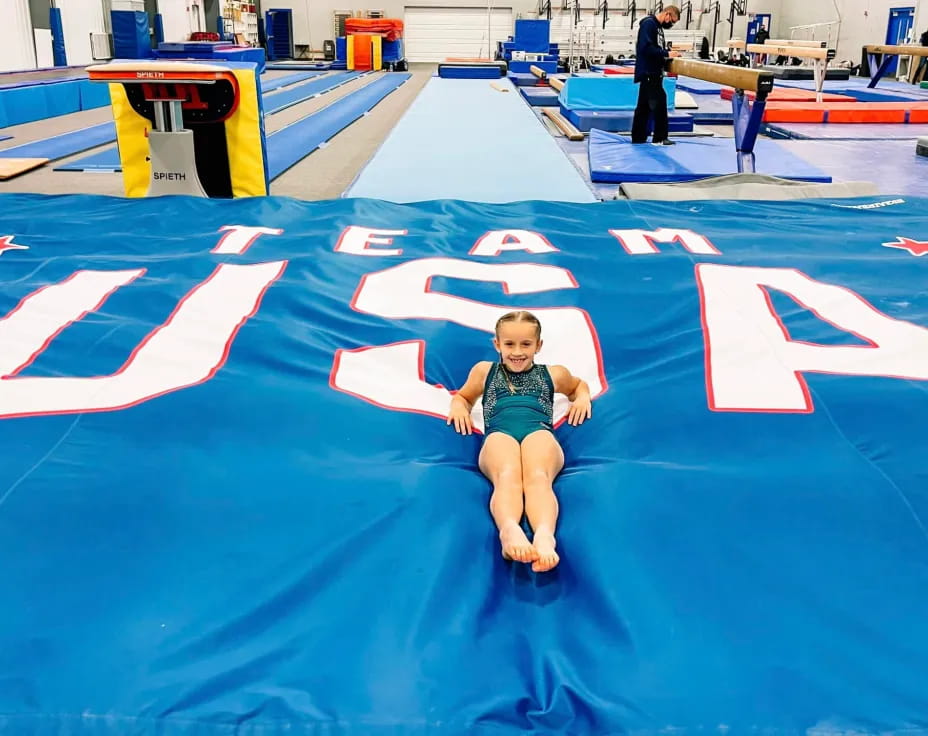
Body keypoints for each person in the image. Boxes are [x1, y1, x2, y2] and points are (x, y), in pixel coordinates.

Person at [447, 311, 592, 573]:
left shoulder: (553, 374)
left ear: (538, 345)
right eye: (509, 344)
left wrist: (581, 398)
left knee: (538, 475)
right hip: (499, 432)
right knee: (508, 473)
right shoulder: (484, 371)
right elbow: (464, 396)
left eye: (526, 344)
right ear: (497, 344)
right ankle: (509, 530)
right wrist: (459, 407)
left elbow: (578, 386)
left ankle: (544, 536)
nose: (517, 352)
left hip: (538, 429)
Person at [631, 5, 682, 145]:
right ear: (667, 14)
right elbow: (646, 48)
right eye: (672, 21)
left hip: (653, 72)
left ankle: (638, 137)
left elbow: (656, 47)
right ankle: (660, 137)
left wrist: (667, 53)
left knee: (644, 107)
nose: (671, 24)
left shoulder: (658, 28)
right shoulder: (649, 24)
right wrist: (666, 54)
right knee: (660, 102)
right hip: (649, 72)